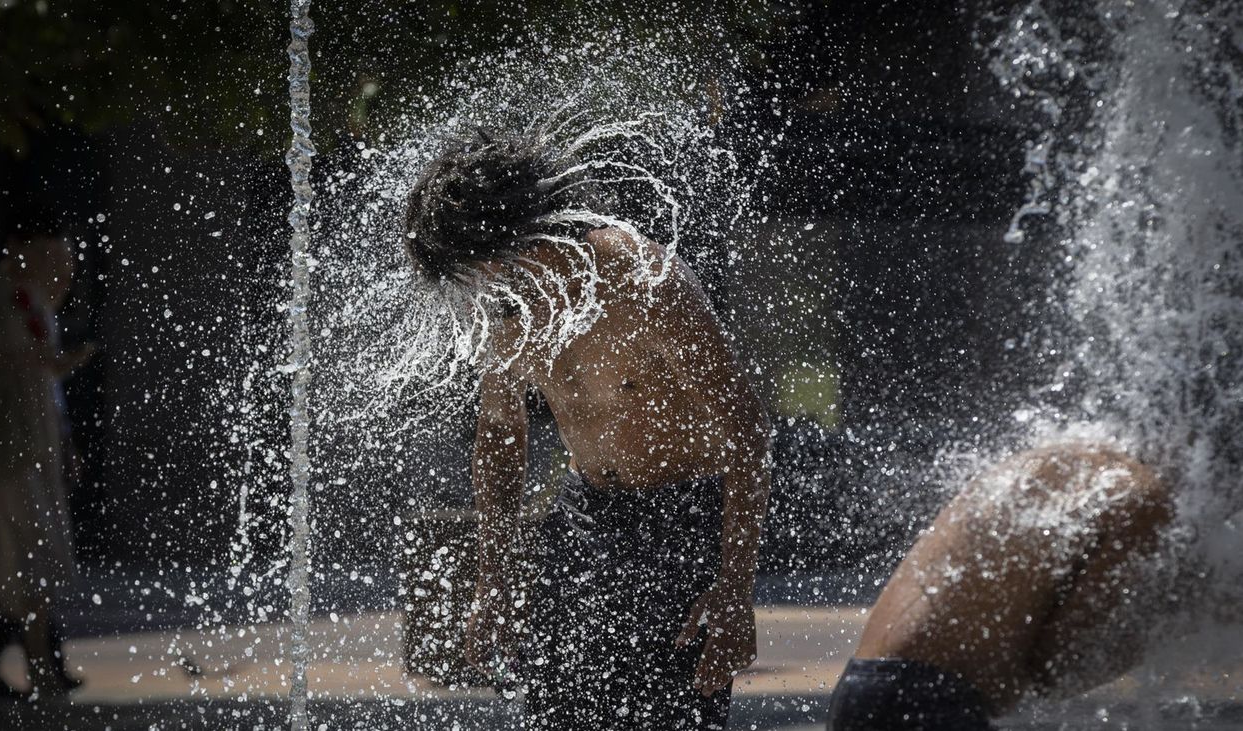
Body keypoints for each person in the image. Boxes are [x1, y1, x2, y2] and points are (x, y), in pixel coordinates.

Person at [402, 130, 772, 729]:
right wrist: (492, 580)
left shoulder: (644, 280)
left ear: (504, 244)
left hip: (680, 524)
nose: (478, 290)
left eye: (476, 271)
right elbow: (500, 435)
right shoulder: (511, 315)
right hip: (582, 516)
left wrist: (735, 588)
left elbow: (747, 429)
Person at [827, 443, 1175, 730]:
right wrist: (1169, 627)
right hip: (928, 702)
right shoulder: (1141, 494)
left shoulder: (1058, 459)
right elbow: (1054, 668)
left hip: (863, 685)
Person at [0, 222, 95, 697]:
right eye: (50, 259)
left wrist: (66, 443)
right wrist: (21, 363)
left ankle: (28, 664)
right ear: (20, 250)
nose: (60, 273)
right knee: (11, 559)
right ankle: (31, 665)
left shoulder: (38, 305)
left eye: (65, 264)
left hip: (35, 449)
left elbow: (47, 385)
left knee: (24, 561)